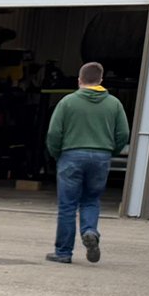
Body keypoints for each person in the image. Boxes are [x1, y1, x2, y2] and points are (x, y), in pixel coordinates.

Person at [44, 62, 130, 264]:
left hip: (71, 155)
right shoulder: (114, 104)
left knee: (67, 206)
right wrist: (110, 151)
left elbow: (54, 133)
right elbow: (123, 134)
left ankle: (63, 252)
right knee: (91, 200)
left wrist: (57, 154)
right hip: (101, 157)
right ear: (101, 80)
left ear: (79, 80)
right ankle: (90, 231)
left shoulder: (67, 102)